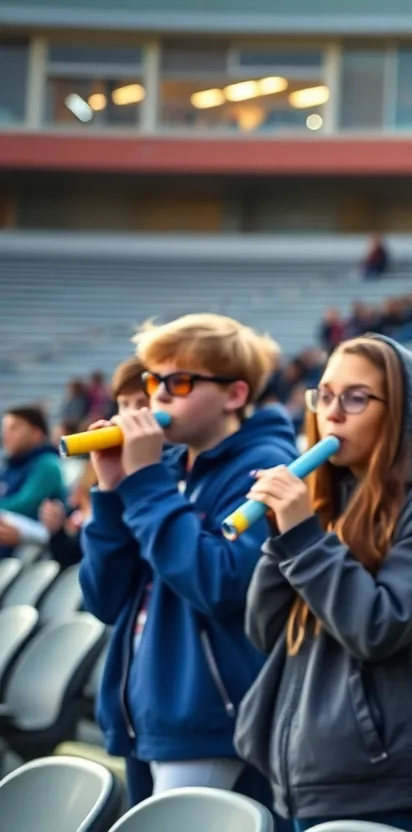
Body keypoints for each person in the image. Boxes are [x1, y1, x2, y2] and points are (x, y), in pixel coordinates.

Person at [236, 336, 412, 831]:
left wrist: (303, 538)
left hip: (378, 770)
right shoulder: (332, 493)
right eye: (323, 395)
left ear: (402, 412)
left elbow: (378, 627)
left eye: (356, 398)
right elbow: (263, 629)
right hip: (309, 765)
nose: (332, 414)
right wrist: (280, 538)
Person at [79, 313, 298, 808]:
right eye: (154, 380)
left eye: (178, 382)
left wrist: (146, 484)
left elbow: (219, 582)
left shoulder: (265, 466)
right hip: (148, 710)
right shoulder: (168, 467)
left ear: (235, 395)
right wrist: (113, 491)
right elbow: (105, 598)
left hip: (209, 716)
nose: (158, 395)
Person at [42, 357, 150, 568]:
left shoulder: (167, 471)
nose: (130, 415)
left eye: (143, 404)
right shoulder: (100, 467)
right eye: (124, 404)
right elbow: (80, 558)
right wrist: (57, 532)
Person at [0, 405, 64, 557]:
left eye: (14, 428)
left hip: (32, 554)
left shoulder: (47, 464)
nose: (6, 434)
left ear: (36, 433)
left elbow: (25, 505)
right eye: (5, 428)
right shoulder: (11, 466)